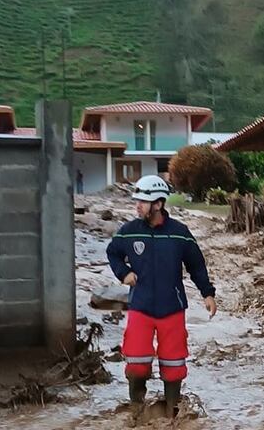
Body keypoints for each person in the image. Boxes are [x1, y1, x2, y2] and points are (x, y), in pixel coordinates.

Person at [106, 175, 217, 416]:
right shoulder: (128, 232)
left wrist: (207, 294)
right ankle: (137, 407)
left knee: (174, 363)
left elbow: (196, 264)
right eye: (137, 201)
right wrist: (123, 273)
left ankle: (171, 411)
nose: (137, 206)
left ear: (158, 204)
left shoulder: (180, 233)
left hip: (172, 307)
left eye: (142, 202)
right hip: (140, 306)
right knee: (135, 362)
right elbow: (112, 252)